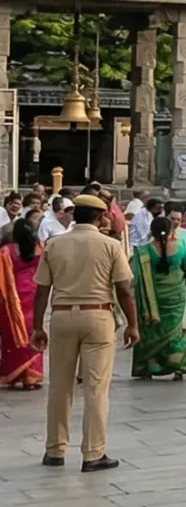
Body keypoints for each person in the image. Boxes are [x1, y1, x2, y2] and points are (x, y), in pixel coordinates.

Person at [35, 196, 138, 470]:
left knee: (60, 386)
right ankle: (93, 452)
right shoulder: (111, 245)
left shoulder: (54, 245)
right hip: (98, 315)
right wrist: (132, 323)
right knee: (95, 388)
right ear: (99, 217)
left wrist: (36, 326)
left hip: (61, 316)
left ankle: (55, 449)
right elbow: (124, 289)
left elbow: (42, 289)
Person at [128, 213, 186, 383]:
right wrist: (180, 284)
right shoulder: (181, 247)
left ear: (152, 232)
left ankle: (148, 367)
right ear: (172, 231)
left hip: (151, 299)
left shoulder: (144, 251)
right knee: (177, 332)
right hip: (175, 297)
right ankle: (178, 366)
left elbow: (135, 277)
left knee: (150, 331)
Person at [0, 216, 41, 390]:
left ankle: (15, 372)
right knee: (33, 331)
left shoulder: (6, 251)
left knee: (13, 334)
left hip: (12, 298)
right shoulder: (39, 249)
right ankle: (31, 377)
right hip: (33, 294)